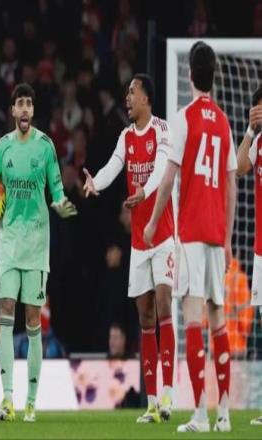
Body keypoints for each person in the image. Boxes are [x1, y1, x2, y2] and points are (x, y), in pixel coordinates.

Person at [0, 83, 77, 423]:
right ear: (12, 111)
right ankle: (7, 398)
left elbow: (56, 187)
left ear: (32, 111)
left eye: (28, 104)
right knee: (5, 312)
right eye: (19, 103)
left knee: (33, 320)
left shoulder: (45, 146)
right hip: (8, 242)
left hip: (37, 244)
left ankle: (31, 402)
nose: (24, 109)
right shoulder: (3, 147)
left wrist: (60, 203)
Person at [144, 41, 236, 433]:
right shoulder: (225, 122)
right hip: (216, 234)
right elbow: (231, 184)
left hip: (194, 233)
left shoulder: (184, 119)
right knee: (218, 319)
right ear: (213, 76)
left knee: (193, 317)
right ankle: (225, 414)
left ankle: (200, 414)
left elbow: (167, 180)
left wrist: (152, 222)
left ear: (189, 74)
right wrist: (228, 239)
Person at [83, 74, 176, 423]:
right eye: (126, 93)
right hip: (138, 242)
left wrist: (144, 193)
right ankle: (151, 403)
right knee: (145, 317)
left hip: (163, 235)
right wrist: (96, 183)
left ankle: (168, 396)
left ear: (147, 98)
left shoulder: (162, 130)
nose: (127, 98)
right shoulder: (126, 136)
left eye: (132, 92)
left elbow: (162, 170)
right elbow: (113, 166)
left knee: (164, 306)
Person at [235, 85, 262, 426]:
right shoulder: (258, 143)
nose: (258, 111)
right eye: (256, 108)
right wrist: (250, 129)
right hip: (260, 252)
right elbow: (239, 167)